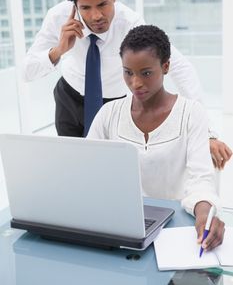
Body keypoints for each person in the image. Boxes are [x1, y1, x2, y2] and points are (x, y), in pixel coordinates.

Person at [22, 0, 232, 168]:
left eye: (102, 4)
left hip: (114, 106)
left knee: (112, 169)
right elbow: (27, 71)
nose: (96, 16)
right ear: (75, 4)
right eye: (85, 7)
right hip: (69, 98)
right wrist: (58, 50)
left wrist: (208, 133)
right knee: (73, 166)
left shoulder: (130, 23)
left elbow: (179, 66)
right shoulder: (58, 17)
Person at [87, 25, 225, 251]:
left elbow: (200, 179)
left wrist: (204, 214)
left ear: (166, 66)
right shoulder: (108, 114)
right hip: (123, 226)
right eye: (128, 72)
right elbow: (88, 173)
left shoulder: (191, 113)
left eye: (146, 73)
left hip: (178, 228)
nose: (136, 83)